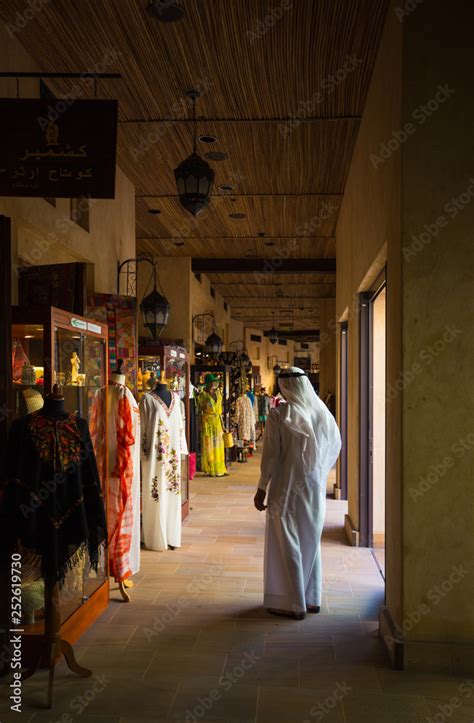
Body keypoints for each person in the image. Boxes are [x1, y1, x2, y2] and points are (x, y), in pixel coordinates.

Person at [254, 367, 341, 620]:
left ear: (286, 386)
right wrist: (320, 470)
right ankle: (311, 598)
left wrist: (262, 488)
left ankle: (293, 602)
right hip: (314, 487)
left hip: (286, 487)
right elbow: (336, 444)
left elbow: (270, 455)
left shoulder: (280, 414)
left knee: (287, 539)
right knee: (309, 537)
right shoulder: (322, 413)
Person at [198, 373, 227, 477]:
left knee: (219, 445)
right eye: (211, 382)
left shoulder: (218, 394)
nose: (213, 384)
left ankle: (220, 469)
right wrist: (200, 425)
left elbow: (220, 412)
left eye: (214, 382)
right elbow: (200, 411)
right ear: (207, 383)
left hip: (217, 423)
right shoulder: (202, 395)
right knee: (209, 446)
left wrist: (223, 425)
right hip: (207, 422)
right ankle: (210, 469)